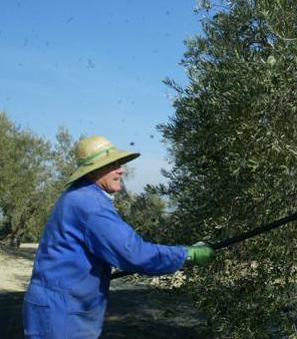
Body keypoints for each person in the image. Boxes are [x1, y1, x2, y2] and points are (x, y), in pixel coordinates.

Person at [22, 135, 215, 339]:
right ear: (93, 170)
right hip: (62, 313)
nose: (121, 169)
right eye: (112, 164)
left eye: (119, 163)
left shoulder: (78, 195)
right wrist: (187, 254)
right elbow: (135, 254)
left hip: (55, 306)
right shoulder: (91, 206)